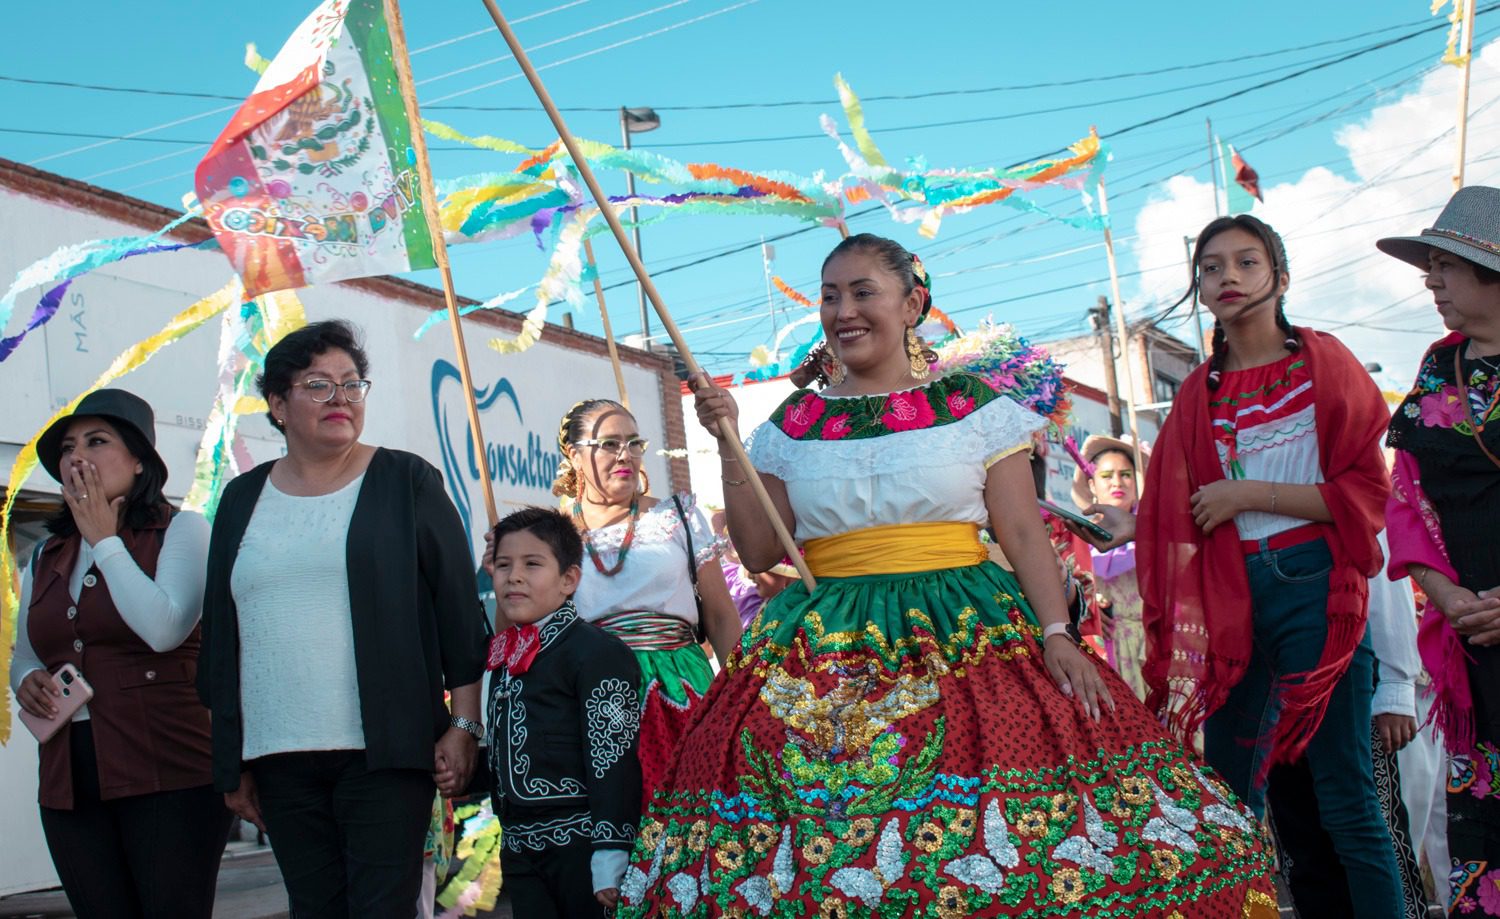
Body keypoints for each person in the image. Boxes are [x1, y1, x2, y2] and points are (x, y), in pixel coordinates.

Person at [618, 233, 1277, 917]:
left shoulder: (973, 406)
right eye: (830, 295)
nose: (844, 310)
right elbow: (758, 550)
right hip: (821, 651)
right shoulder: (794, 423)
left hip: (966, 633)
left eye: (863, 291)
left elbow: (1021, 531)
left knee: (997, 819)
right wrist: (730, 444)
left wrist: (1057, 632)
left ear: (912, 304)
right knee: (830, 839)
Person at [1137, 214, 1400, 917]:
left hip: (1315, 583)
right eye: (1211, 266)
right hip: (1230, 598)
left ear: (1280, 278)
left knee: (1345, 795)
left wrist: (1247, 493)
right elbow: (1167, 519)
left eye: (1246, 263)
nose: (1227, 277)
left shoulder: (1325, 363)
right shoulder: (1197, 393)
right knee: (1229, 796)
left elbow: (1367, 493)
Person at [198, 320, 490, 918]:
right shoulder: (240, 499)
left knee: (382, 909)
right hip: (277, 757)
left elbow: (459, 613)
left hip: (383, 753)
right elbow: (223, 636)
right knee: (314, 909)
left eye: (353, 385)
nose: (342, 400)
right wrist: (232, 757)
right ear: (277, 405)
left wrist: (464, 726)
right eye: (319, 386)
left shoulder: (406, 480)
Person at [9, 388, 231, 918]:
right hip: (70, 771)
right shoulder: (45, 552)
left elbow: (164, 629)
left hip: (168, 767)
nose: (76, 456)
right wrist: (27, 680)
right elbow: (27, 651)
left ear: (138, 461)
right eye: (67, 447)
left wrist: (105, 541)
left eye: (97, 440)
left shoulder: (183, 530)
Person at [1380, 185, 1500, 915]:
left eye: (1444, 266)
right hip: (1471, 637)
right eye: (1429, 265)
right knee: (1485, 827)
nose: (1430, 280)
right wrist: (1447, 594)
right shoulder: (1437, 366)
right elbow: (1406, 495)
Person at [547, 398, 740, 797]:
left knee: (689, 820)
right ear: (575, 455)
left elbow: (721, 617)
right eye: (609, 444)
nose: (626, 455)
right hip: (591, 694)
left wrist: (739, 700)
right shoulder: (547, 536)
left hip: (680, 690)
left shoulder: (678, 517)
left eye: (634, 443)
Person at [482, 506, 642, 918]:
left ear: (569, 579)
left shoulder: (597, 653)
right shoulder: (504, 653)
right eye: (503, 565)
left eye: (532, 564)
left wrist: (611, 849)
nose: (514, 576)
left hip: (581, 847)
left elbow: (613, 758)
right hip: (518, 847)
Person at [1069, 435, 1148, 699]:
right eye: (1107, 475)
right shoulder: (1073, 538)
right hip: (1098, 654)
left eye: (1126, 474)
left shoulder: (1159, 534)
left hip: (1148, 649)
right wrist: (1082, 608)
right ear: (1092, 484)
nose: (1117, 482)